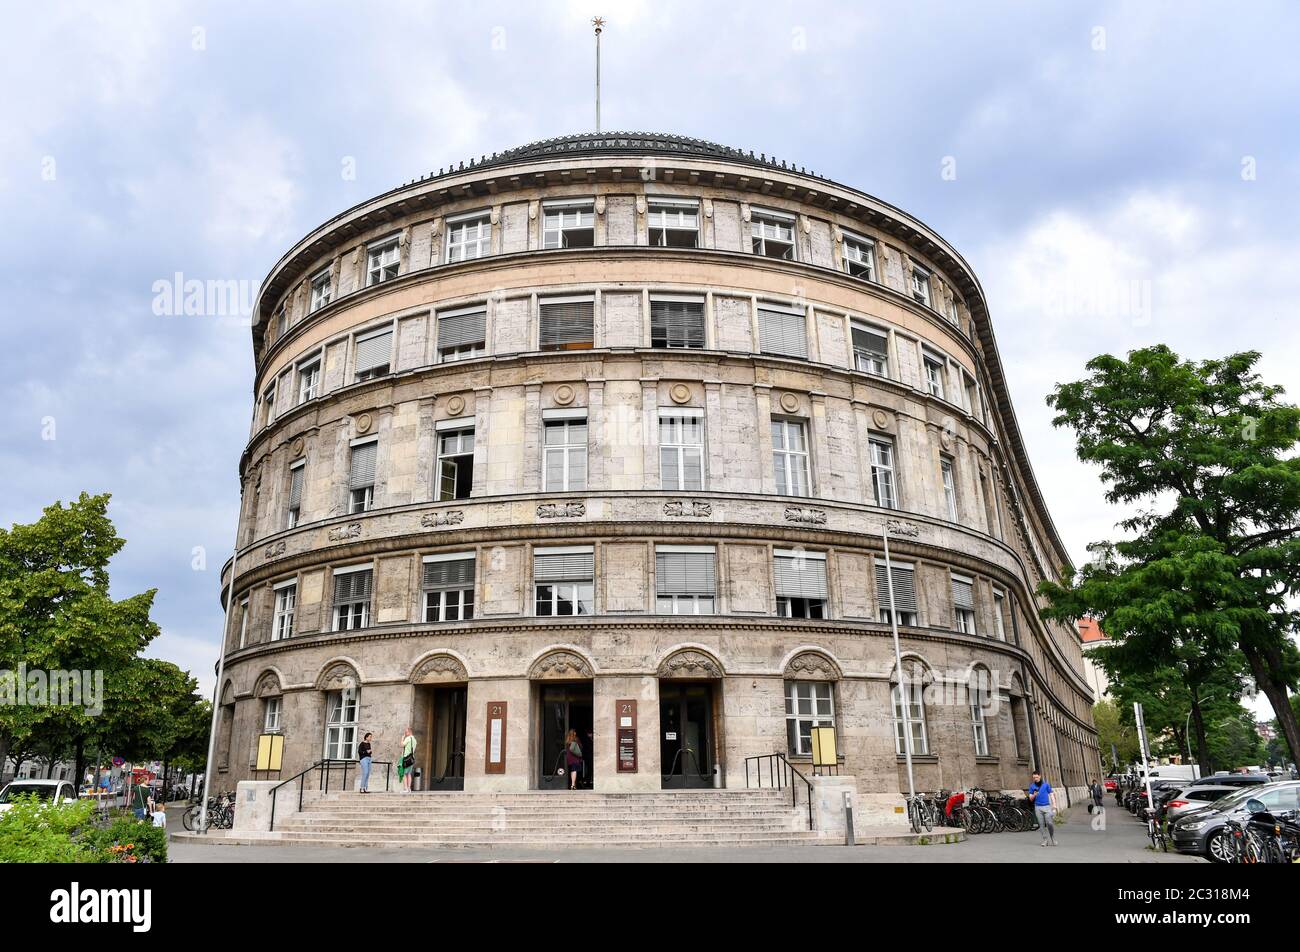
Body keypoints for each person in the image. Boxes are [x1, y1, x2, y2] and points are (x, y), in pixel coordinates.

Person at [1028, 770, 1057, 846]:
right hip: (1038, 807)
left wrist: (1054, 805)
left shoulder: (1046, 785)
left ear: (1040, 776)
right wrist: (1034, 795)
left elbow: (1051, 794)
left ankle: (1052, 837)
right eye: (1034, 778)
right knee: (1041, 825)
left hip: (1047, 806)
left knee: (1049, 823)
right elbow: (1030, 799)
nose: (1035, 779)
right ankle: (1045, 840)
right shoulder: (1032, 786)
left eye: (1036, 777)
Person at [400, 727, 417, 792]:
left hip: (406, 758)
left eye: (406, 732)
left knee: (404, 773)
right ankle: (409, 788)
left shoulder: (408, 738)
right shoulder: (414, 740)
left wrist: (402, 738)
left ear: (410, 732)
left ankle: (405, 788)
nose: (405, 733)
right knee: (409, 773)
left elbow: (402, 745)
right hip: (412, 758)